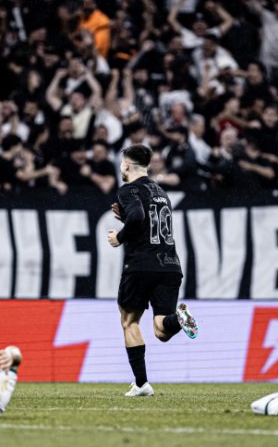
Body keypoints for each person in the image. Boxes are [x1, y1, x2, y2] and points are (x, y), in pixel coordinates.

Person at [107, 144, 197, 397]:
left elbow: (137, 216)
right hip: (170, 265)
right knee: (161, 329)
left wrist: (120, 236)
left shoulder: (128, 189)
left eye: (122, 163)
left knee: (129, 321)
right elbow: (146, 222)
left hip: (141, 265)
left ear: (126, 165)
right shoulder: (160, 191)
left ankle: (142, 384)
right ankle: (178, 319)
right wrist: (128, 219)